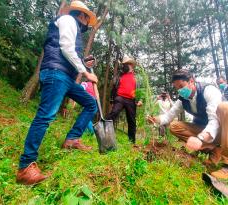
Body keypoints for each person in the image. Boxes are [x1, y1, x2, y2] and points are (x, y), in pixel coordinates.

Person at [16, 1, 98, 185]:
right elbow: (66, 48)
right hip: (56, 73)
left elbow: (70, 53)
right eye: (87, 19)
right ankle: (25, 167)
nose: (87, 24)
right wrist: (84, 73)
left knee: (90, 103)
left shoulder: (73, 26)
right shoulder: (68, 19)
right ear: (82, 15)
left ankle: (72, 139)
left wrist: (85, 64)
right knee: (46, 115)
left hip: (66, 77)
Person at [148, 69, 228, 179]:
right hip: (211, 133)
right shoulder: (183, 100)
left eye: (181, 86)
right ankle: (214, 149)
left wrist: (201, 137)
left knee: (225, 107)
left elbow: (214, 120)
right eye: (177, 88)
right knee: (174, 126)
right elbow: (169, 116)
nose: (179, 90)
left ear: (191, 81)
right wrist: (156, 119)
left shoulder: (209, 90)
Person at [106, 57, 143, 144]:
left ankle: (132, 142)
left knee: (132, 120)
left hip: (131, 100)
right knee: (114, 113)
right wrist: (112, 101)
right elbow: (114, 88)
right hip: (120, 97)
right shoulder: (119, 75)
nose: (126, 66)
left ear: (132, 66)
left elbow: (140, 90)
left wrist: (140, 99)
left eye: (128, 64)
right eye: (125, 64)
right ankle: (104, 131)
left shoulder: (136, 77)